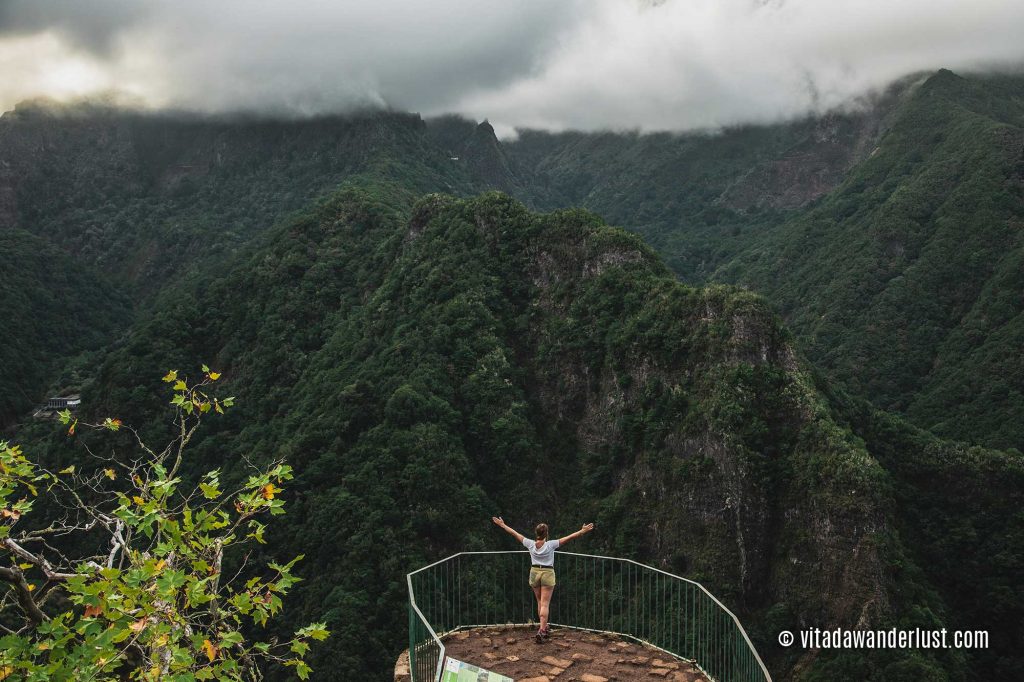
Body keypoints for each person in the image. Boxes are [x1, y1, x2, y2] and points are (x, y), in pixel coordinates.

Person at [491, 516, 595, 643]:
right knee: (545, 604)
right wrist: (582, 531)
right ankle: (542, 629)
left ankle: (543, 626)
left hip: (534, 572)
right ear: (547, 534)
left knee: (539, 601)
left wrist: (502, 525)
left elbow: (514, 533)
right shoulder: (551, 545)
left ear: (536, 533)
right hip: (547, 572)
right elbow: (569, 537)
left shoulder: (530, 544)